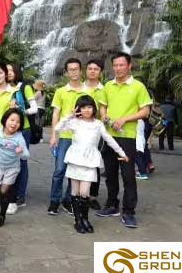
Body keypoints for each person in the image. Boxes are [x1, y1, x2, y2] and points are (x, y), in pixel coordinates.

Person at [54, 95, 128, 234]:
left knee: (84, 192)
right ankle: (78, 220)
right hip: (75, 159)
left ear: (94, 108)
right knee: (75, 192)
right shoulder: (74, 122)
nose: (86, 110)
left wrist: (122, 153)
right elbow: (57, 128)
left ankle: (85, 218)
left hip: (90, 161)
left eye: (89, 107)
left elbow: (109, 139)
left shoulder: (98, 124)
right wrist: (69, 116)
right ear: (78, 109)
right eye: (83, 107)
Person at [97, 52, 152, 228]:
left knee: (128, 175)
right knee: (110, 173)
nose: (118, 68)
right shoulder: (108, 86)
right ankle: (112, 205)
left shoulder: (138, 86)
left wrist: (125, 119)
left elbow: (145, 111)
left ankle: (128, 211)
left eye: (121, 65)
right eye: (115, 65)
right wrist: (104, 116)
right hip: (109, 136)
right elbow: (102, 106)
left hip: (127, 137)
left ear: (129, 66)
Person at [48, 58, 87, 216]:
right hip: (64, 136)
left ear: (81, 71)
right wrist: (53, 135)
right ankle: (54, 201)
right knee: (59, 170)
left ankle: (68, 200)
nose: (74, 72)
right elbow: (55, 114)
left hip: (81, 138)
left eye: (76, 69)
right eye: (71, 69)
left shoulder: (87, 91)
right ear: (66, 73)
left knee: (75, 170)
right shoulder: (60, 91)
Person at [10, 67, 38, 212]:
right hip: (8, 129)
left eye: (11, 70)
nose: (8, 73)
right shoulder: (5, 87)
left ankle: (20, 195)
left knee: (22, 161)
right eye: (6, 70)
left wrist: (20, 111)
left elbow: (34, 108)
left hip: (23, 129)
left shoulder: (24, 87)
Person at [84, 59, 106, 210]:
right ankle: (78, 194)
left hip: (96, 133)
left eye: (96, 69)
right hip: (79, 131)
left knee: (94, 163)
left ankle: (92, 196)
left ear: (100, 72)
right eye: (90, 68)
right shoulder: (80, 88)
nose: (92, 71)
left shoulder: (104, 89)